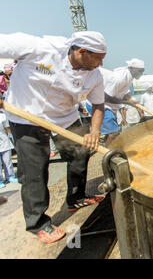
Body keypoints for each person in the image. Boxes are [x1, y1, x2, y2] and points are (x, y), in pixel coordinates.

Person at [0, 31, 107, 243]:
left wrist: (94, 131)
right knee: (35, 171)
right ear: (82, 51)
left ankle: (75, 198)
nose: (100, 63)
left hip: (64, 118)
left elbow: (98, 104)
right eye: (98, 58)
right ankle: (37, 223)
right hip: (26, 116)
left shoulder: (94, 75)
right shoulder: (38, 48)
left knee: (80, 154)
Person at [87, 58, 145, 145]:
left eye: (142, 71)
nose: (141, 73)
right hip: (100, 105)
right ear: (132, 68)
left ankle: (108, 149)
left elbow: (124, 92)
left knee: (110, 134)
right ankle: (107, 154)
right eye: (140, 71)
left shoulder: (129, 76)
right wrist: (127, 103)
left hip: (108, 106)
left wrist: (129, 99)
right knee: (114, 133)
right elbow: (105, 97)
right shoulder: (119, 78)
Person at [0, 109, 16, 188]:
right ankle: (0, 181)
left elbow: (7, 128)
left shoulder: (2, 115)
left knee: (7, 161)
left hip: (4, 142)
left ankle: (10, 177)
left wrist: (13, 135)